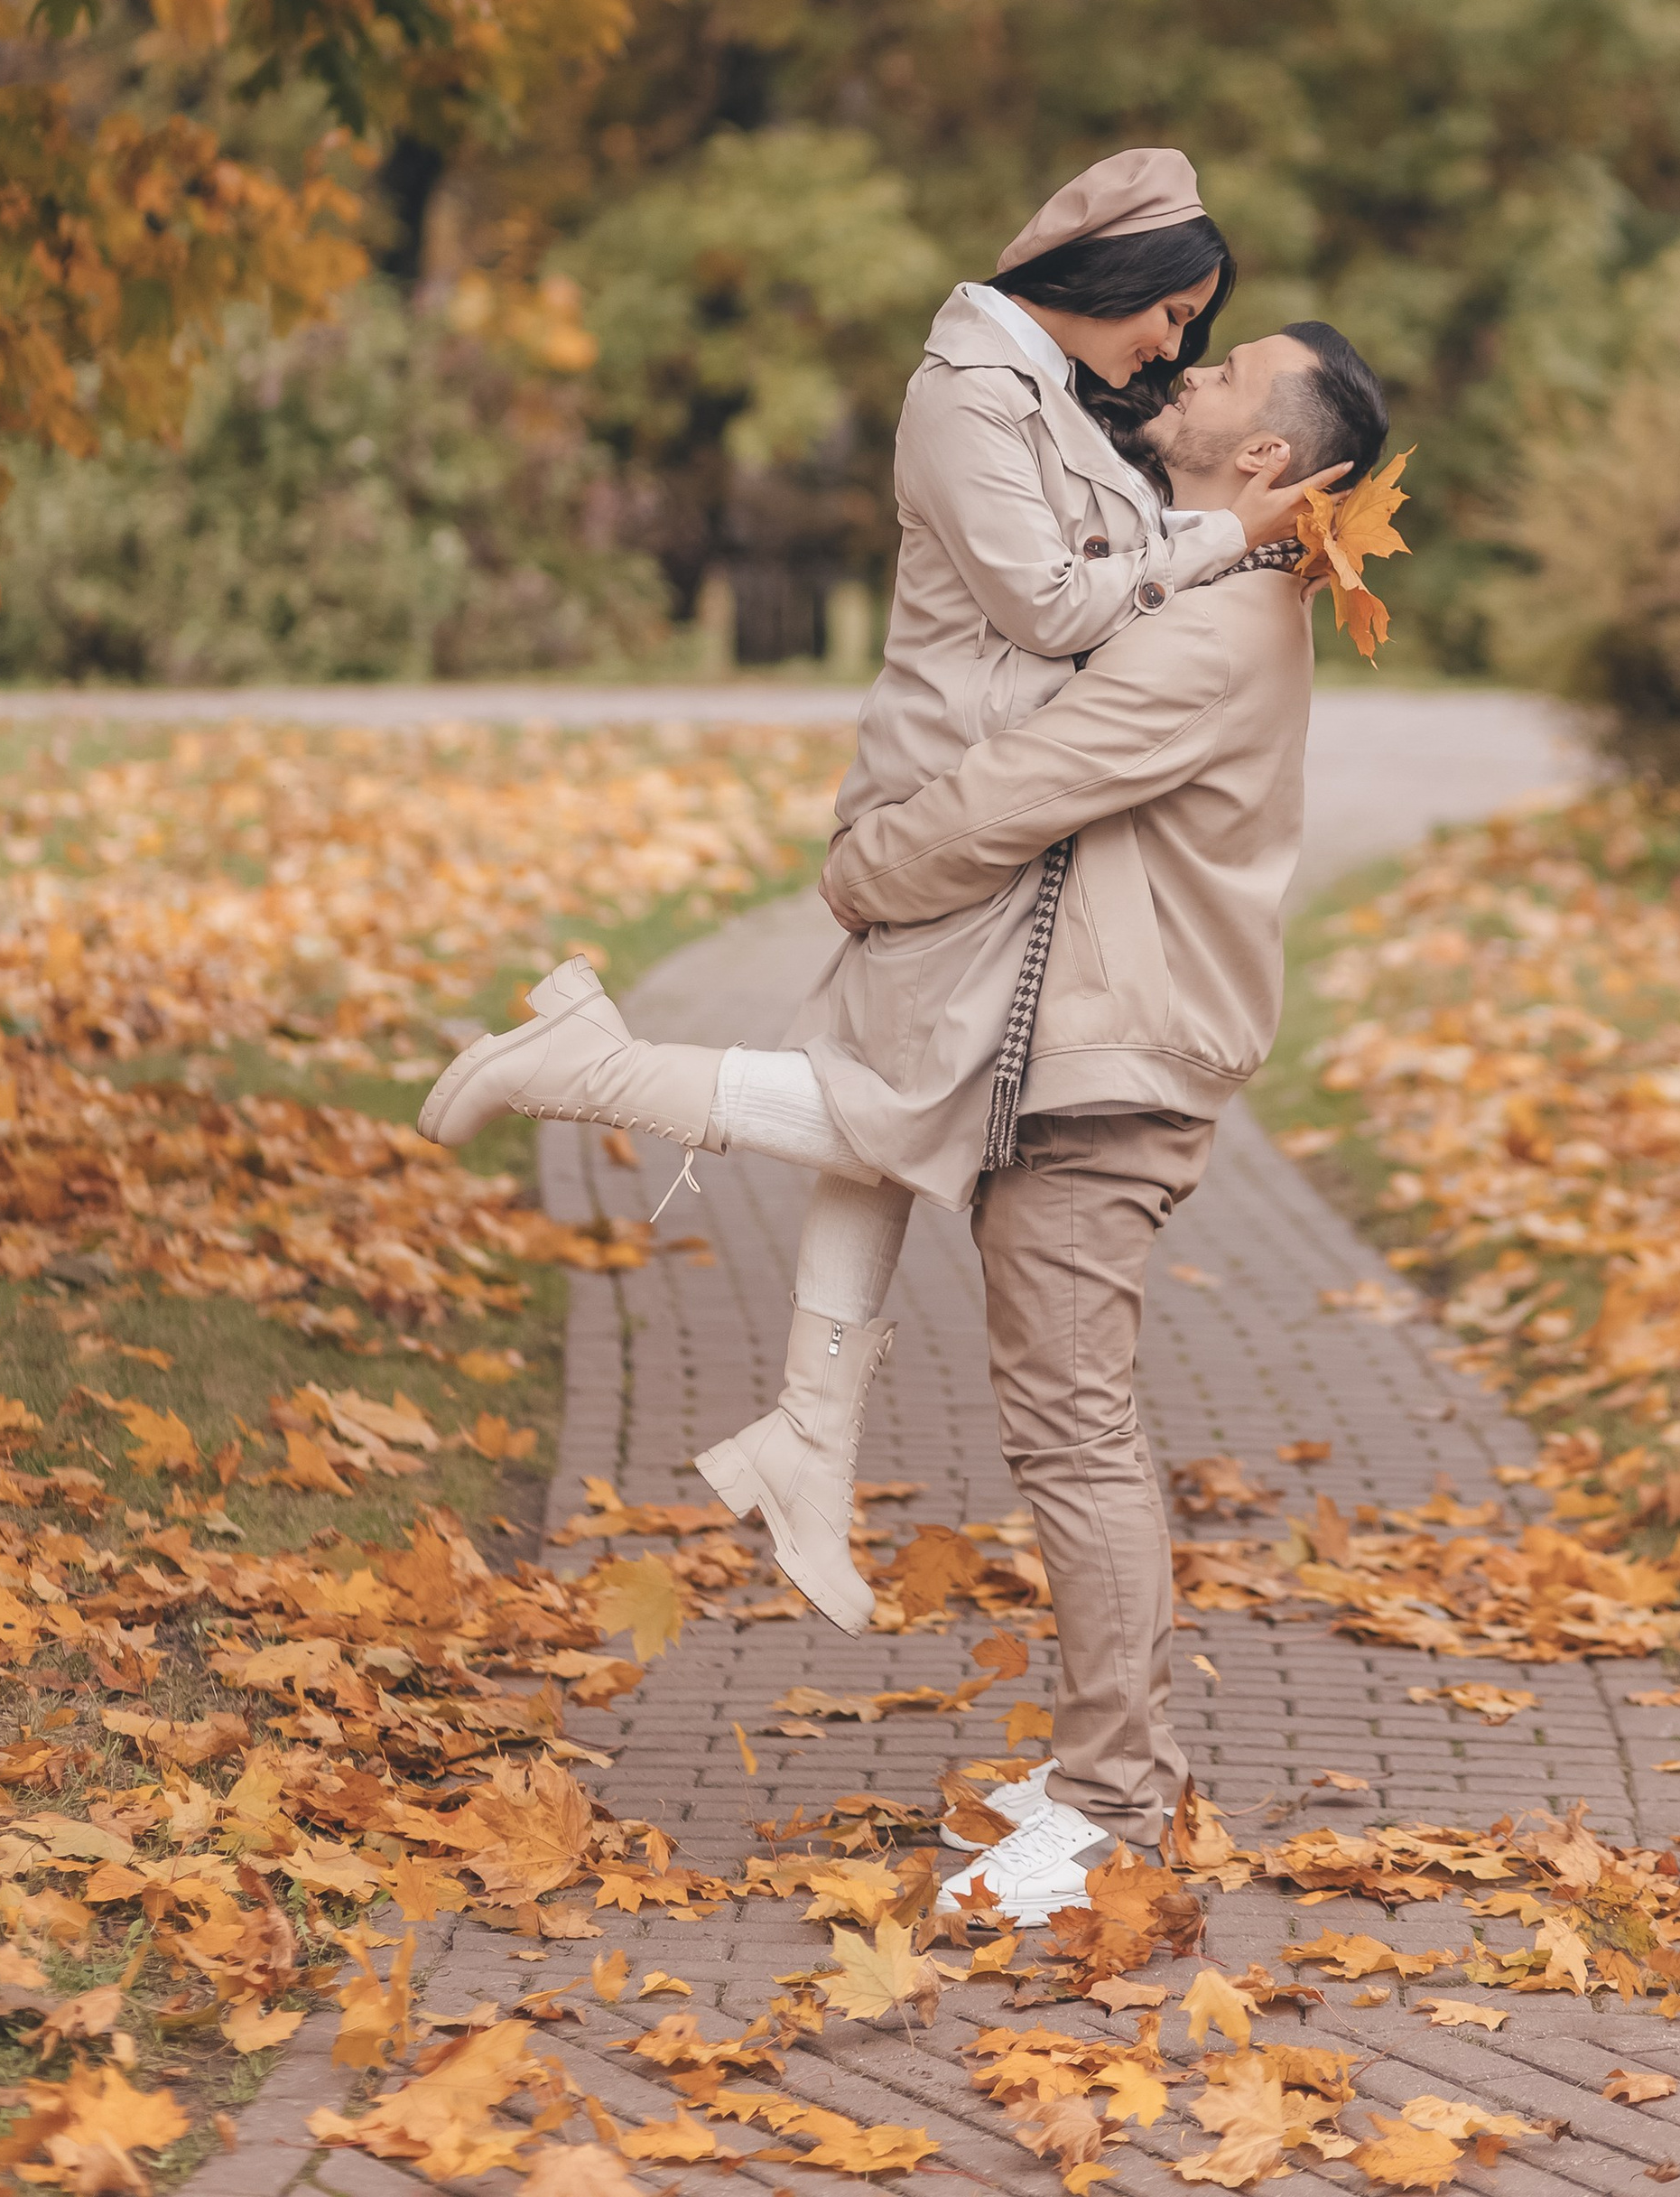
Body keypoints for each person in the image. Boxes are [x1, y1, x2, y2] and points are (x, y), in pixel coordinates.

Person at [418, 150, 1331, 1625]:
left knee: (889, 1103)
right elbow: (1051, 600)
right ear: (1096, 278)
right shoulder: (966, 390)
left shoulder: (1051, 401)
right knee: (914, 1110)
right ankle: (592, 1063)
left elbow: (1123, 557)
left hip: (991, 804)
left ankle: (809, 1438)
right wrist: (1235, 535)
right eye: (1169, 310)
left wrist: (1215, 539)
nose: (1177, 346)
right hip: (946, 793)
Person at [814, 319, 1392, 1927]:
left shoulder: (1218, 633)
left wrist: (863, 870)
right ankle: (1129, 1760)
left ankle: (1116, 1797)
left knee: (1075, 1431)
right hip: (1095, 1057)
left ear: (1264, 460)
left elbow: (1025, 785)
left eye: (1222, 378)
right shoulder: (1210, 590)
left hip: (1112, 1073)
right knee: (1086, 1423)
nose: (1188, 379)